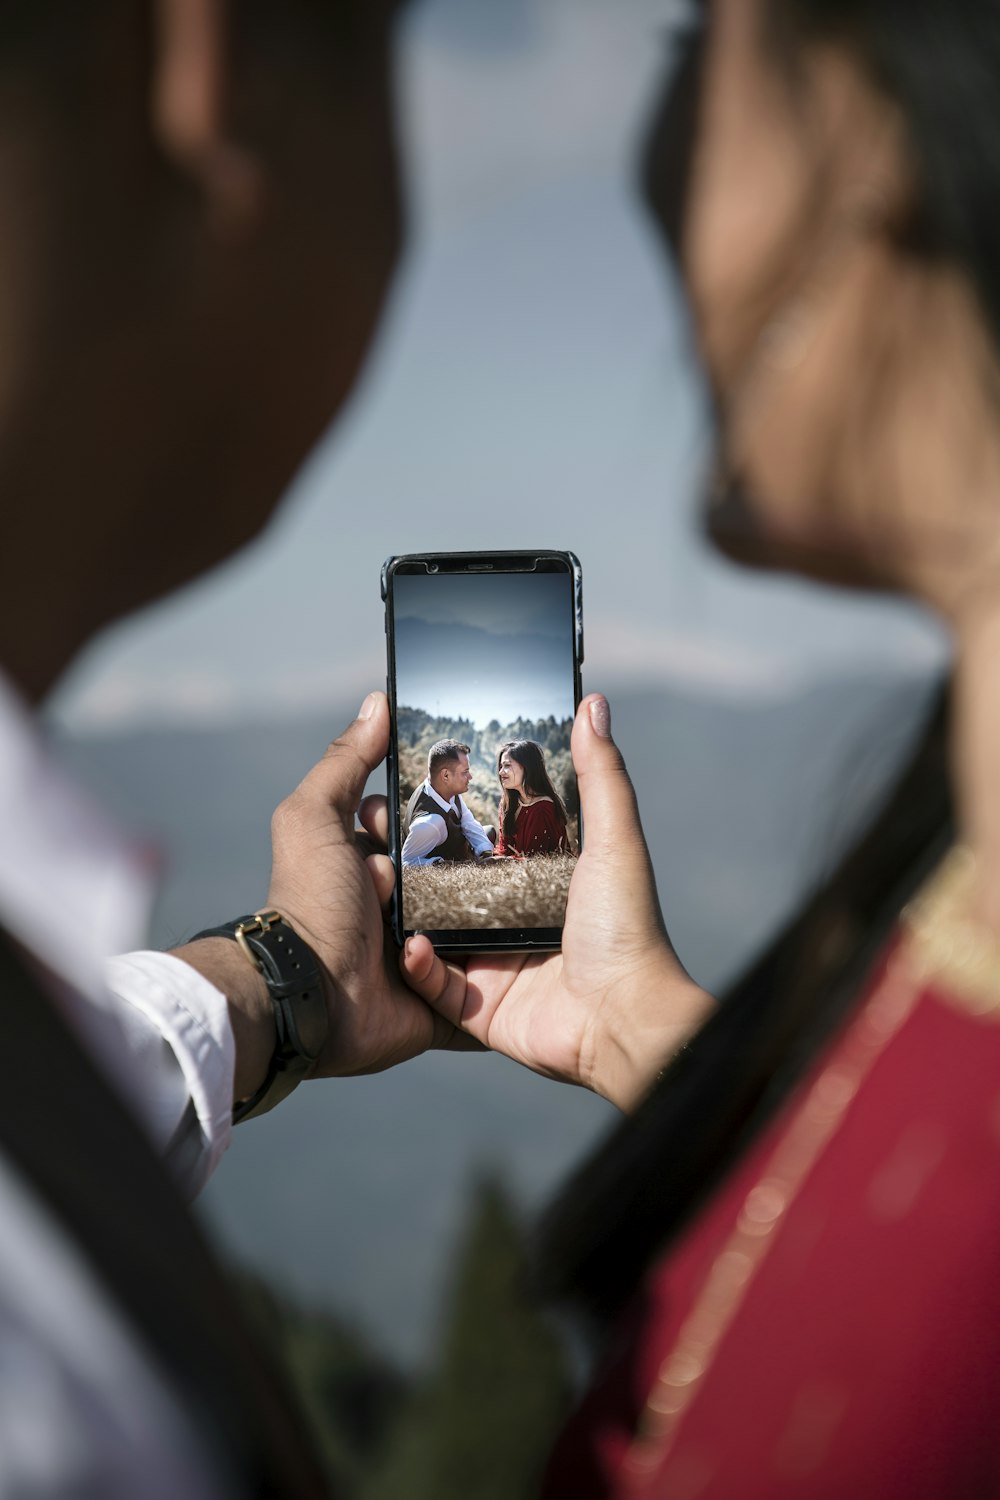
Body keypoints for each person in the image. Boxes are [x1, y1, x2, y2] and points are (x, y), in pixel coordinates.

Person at [396, 0, 1000, 1494]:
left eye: (685, 42)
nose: (645, 156)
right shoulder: (951, 879)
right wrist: (643, 1029)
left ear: (868, 117)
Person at [400, 739, 495, 865]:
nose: (470, 777)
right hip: (450, 856)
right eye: (465, 772)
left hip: (460, 847)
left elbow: (468, 822)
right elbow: (406, 863)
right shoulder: (429, 822)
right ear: (445, 776)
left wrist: (485, 854)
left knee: (489, 831)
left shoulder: (444, 788)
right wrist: (446, 864)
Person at [493, 740, 571, 857]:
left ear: (527, 767)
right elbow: (505, 849)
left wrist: (499, 861)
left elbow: (534, 859)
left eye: (507, 765)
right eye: (501, 766)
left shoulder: (543, 808)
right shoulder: (508, 801)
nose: (500, 772)